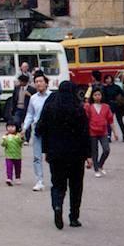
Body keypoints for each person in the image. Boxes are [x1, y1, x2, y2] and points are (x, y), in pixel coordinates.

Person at [36, 81, 92, 229]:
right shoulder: (78, 109)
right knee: (76, 186)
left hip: (56, 154)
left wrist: (46, 150)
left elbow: (41, 128)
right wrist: (88, 155)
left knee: (57, 184)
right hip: (76, 155)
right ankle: (74, 217)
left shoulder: (50, 108)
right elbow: (85, 133)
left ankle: (57, 206)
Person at [22, 72, 53, 191]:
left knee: (52, 156)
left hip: (50, 130)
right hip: (37, 130)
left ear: (46, 83)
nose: (38, 84)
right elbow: (30, 114)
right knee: (36, 156)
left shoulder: (52, 97)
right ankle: (39, 181)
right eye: (36, 82)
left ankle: (55, 179)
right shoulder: (33, 98)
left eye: (41, 81)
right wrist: (25, 128)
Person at [84, 88, 114, 177]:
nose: (97, 96)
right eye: (95, 95)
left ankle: (100, 164)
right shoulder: (89, 107)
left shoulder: (106, 107)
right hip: (92, 131)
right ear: (92, 96)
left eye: (99, 94)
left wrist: (115, 132)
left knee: (106, 149)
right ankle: (96, 169)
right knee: (94, 151)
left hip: (103, 131)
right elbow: (86, 119)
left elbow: (110, 120)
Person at [101, 74, 124, 142]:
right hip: (109, 106)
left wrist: (122, 103)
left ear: (111, 79)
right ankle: (109, 136)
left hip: (117, 105)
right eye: (106, 79)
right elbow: (103, 97)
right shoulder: (105, 88)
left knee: (119, 120)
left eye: (108, 78)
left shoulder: (116, 87)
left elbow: (123, 94)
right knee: (109, 121)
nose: (107, 80)